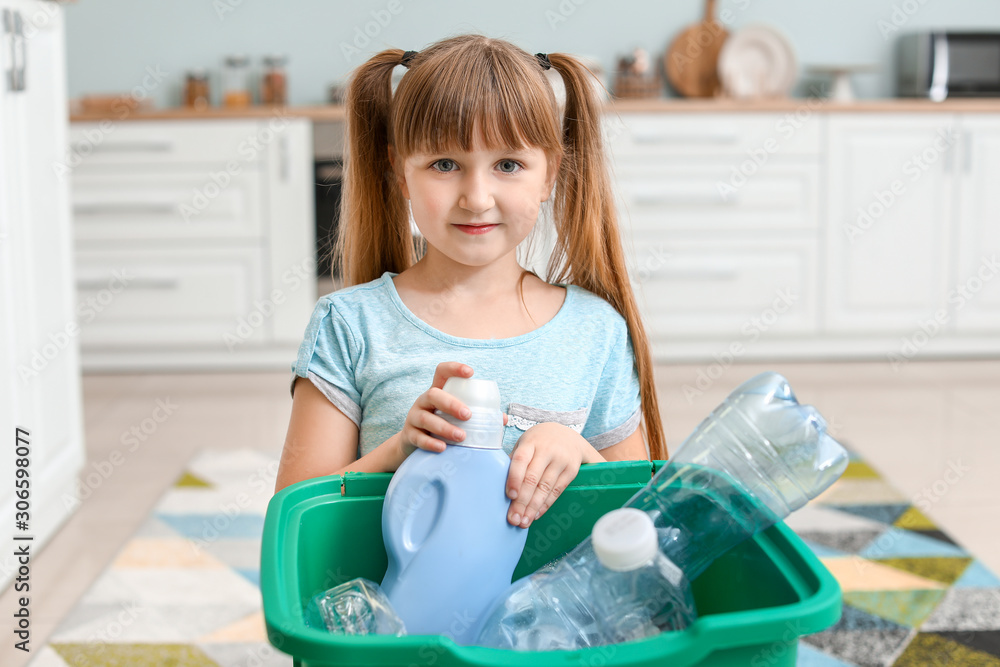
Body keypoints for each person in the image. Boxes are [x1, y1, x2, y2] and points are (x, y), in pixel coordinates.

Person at [275, 34, 667, 531]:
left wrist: (580, 451)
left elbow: (643, 523)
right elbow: (294, 523)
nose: (477, 197)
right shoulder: (349, 325)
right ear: (399, 171)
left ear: (549, 175)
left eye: (508, 164)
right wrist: (397, 450)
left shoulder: (596, 331)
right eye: (444, 165)